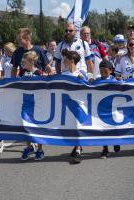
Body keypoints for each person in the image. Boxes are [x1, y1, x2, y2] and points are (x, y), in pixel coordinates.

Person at [54, 23, 94, 164]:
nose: (67, 32)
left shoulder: (83, 44)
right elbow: (58, 65)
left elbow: (89, 62)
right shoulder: (59, 46)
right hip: (66, 81)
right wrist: (58, 80)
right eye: (65, 30)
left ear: (75, 31)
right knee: (69, 116)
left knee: (79, 113)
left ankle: (78, 147)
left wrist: (90, 78)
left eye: (70, 30)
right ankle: (77, 145)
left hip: (80, 80)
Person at [20, 51, 45, 161]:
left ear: (31, 61)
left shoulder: (39, 73)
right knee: (26, 126)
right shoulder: (22, 72)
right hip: (26, 102)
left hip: (37, 103)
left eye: (24, 61)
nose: (22, 63)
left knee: (37, 127)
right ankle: (29, 147)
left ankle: (39, 150)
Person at [96, 59, 121, 159]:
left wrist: (122, 81)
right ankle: (105, 149)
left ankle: (116, 141)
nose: (103, 73)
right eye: (101, 71)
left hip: (114, 109)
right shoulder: (97, 81)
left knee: (115, 127)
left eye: (105, 71)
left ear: (111, 71)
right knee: (103, 129)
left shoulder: (115, 81)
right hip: (101, 110)